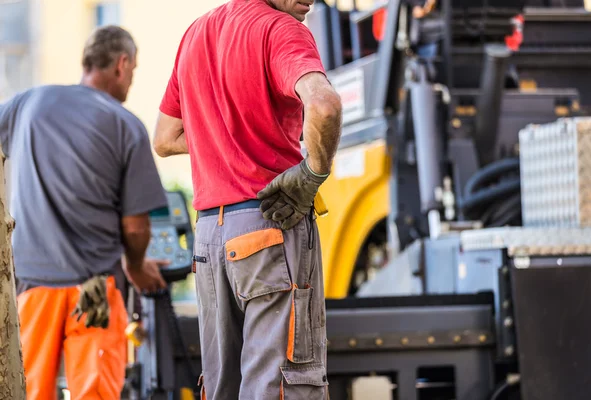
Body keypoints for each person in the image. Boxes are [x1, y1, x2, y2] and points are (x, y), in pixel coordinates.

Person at [153, 0, 342, 399]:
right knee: (279, 387)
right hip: (269, 225)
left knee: (223, 386)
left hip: (209, 240)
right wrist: (313, 173)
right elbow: (324, 105)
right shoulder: (281, 30)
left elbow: (165, 138)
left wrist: (221, 141)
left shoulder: (195, 35)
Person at [0, 26, 170, 399]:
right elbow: (136, 227)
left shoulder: (27, 103)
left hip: (31, 287)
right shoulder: (125, 124)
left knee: (26, 390)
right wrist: (137, 265)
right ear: (122, 65)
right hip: (94, 289)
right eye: (135, 69)